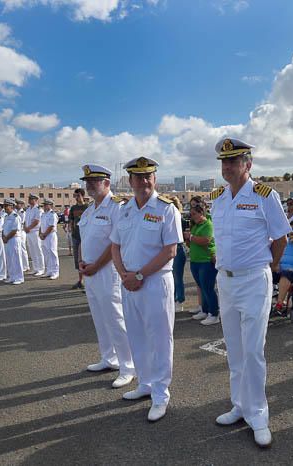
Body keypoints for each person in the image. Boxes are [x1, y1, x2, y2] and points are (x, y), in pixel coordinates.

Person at [210, 137, 290, 448]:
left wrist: (270, 268)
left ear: (248, 164)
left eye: (234, 160)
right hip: (226, 281)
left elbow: (281, 237)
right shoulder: (217, 197)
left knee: (254, 350)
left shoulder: (264, 196)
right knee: (234, 349)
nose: (227, 166)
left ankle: (259, 414)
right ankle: (239, 406)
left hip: (254, 280)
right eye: (224, 161)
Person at [111, 156, 182, 423]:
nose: (144, 181)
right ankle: (145, 384)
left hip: (155, 282)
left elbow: (170, 250)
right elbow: (115, 246)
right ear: (129, 181)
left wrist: (139, 274)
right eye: (138, 177)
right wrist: (124, 275)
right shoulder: (124, 209)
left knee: (160, 338)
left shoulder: (166, 209)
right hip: (129, 281)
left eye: (148, 176)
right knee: (137, 336)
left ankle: (161, 394)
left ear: (155, 178)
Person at [78, 164, 135, 388]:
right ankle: (109, 358)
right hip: (90, 272)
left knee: (115, 318)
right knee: (99, 317)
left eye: (95, 181)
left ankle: (128, 365)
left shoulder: (116, 207)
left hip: (107, 272)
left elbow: (115, 243)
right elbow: (84, 238)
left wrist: (95, 266)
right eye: (87, 182)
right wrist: (83, 264)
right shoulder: (89, 210)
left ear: (107, 183)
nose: (90, 185)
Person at [184, 205, 219, 325]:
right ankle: (205, 310)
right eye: (191, 215)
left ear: (201, 213)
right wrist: (188, 239)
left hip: (206, 260)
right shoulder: (195, 226)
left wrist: (191, 237)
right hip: (195, 260)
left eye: (194, 214)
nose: (192, 217)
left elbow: (206, 240)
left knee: (208, 288)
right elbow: (192, 244)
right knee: (201, 286)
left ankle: (214, 314)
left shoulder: (208, 225)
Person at [68, 188, 88, 289]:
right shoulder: (73, 208)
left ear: (83, 196)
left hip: (86, 237)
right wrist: (70, 228)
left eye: (78, 196)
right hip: (76, 236)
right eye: (75, 196)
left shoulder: (87, 207)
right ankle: (80, 280)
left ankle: (88, 281)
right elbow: (71, 220)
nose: (76, 198)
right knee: (78, 259)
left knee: (87, 258)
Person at [2, 199, 24, 285]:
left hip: (14, 239)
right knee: (9, 258)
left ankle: (19, 277)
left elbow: (15, 230)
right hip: (7, 239)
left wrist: (6, 237)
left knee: (16, 258)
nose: (5, 208)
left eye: (6, 206)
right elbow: (4, 229)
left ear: (11, 206)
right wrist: (4, 236)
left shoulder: (15, 216)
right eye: (4, 206)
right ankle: (12, 276)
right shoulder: (6, 217)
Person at [170, 196, 187, 310]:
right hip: (175, 248)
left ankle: (179, 300)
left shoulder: (179, 219)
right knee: (173, 277)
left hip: (178, 247)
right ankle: (175, 299)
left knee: (177, 277)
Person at [24, 194, 45, 276]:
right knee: (32, 250)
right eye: (29, 198)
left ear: (36, 200)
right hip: (29, 232)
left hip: (35, 231)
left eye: (31, 199)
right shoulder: (28, 209)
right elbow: (26, 220)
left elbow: (37, 221)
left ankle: (41, 269)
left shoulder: (38, 209)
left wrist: (28, 227)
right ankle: (35, 268)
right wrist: (25, 227)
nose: (29, 200)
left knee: (38, 250)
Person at [39, 199, 60, 280]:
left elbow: (51, 226)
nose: (44, 206)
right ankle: (49, 271)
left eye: (46, 205)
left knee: (52, 253)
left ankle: (55, 272)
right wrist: (40, 234)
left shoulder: (52, 214)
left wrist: (44, 234)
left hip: (50, 235)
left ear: (50, 205)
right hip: (44, 236)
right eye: (44, 205)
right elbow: (41, 225)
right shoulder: (43, 214)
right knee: (46, 253)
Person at [16, 200, 30, 273]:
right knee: (18, 250)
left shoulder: (22, 213)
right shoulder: (16, 212)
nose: (16, 205)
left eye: (18, 204)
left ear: (21, 205)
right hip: (17, 232)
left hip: (21, 232)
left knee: (23, 249)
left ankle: (26, 266)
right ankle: (21, 265)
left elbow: (22, 223)